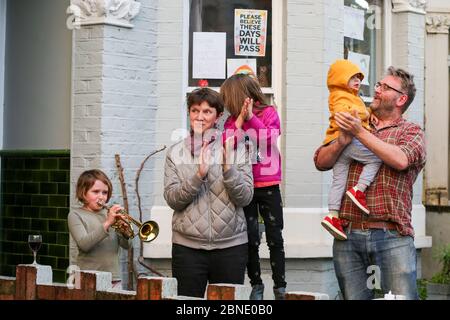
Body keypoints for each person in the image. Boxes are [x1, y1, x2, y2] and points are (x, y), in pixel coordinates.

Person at [314, 66, 426, 300]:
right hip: (347, 235)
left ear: (401, 99)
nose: (376, 90)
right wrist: (343, 140)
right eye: (378, 85)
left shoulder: (411, 131)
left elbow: (400, 160)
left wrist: (359, 133)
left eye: (385, 87)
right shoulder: (357, 120)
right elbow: (321, 162)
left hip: (392, 236)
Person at [163, 87, 254, 298]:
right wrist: (199, 175)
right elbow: (173, 199)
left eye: (207, 112)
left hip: (231, 247)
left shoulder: (237, 148)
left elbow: (245, 197)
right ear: (189, 113)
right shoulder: (175, 152)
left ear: (218, 116)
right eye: (195, 111)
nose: (200, 117)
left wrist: (228, 168)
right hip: (187, 248)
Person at [220, 74, 286, 300]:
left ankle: (280, 286)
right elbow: (226, 145)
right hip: (246, 187)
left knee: (275, 236)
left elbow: (269, 139)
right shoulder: (231, 121)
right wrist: (240, 121)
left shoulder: (269, 114)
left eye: (229, 98)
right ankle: (256, 284)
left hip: (268, 184)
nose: (227, 103)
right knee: (251, 237)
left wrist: (251, 118)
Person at [321, 60, 382, 241]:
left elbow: (357, 113)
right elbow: (346, 114)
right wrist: (367, 111)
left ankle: (333, 215)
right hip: (348, 140)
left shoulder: (351, 96)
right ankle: (359, 189)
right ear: (340, 78)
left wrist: (368, 113)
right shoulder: (339, 95)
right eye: (352, 77)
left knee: (339, 180)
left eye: (359, 77)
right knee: (376, 158)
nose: (358, 80)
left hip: (339, 142)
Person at [68, 169, 131, 289]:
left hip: (114, 278)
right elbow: (84, 244)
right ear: (83, 192)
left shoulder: (110, 215)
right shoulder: (76, 215)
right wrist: (108, 223)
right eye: (96, 192)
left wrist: (125, 231)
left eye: (105, 193)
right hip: (86, 278)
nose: (101, 197)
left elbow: (127, 246)